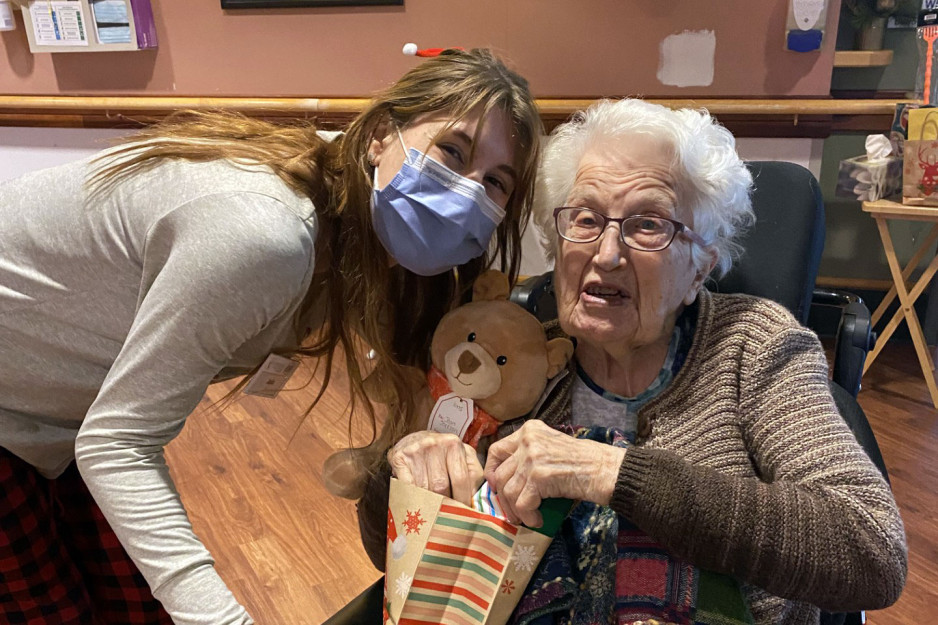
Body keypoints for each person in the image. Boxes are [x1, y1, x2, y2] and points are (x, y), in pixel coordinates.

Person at [0, 48, 542, 625]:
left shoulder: (351, 233)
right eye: (452, 153)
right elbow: (118, 442)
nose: (465, 193)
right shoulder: (266, 234)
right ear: (381, 134)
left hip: (62, 421)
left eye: (495, 182)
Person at [358, 99, 907, 624]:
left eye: (649, 224)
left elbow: (870, 549)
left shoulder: (753, 347)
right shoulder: (515, 359)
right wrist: (403, 473)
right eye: (586, 219)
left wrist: (609, 471)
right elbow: (393, 553)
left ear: (699, 267)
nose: (607, 253)